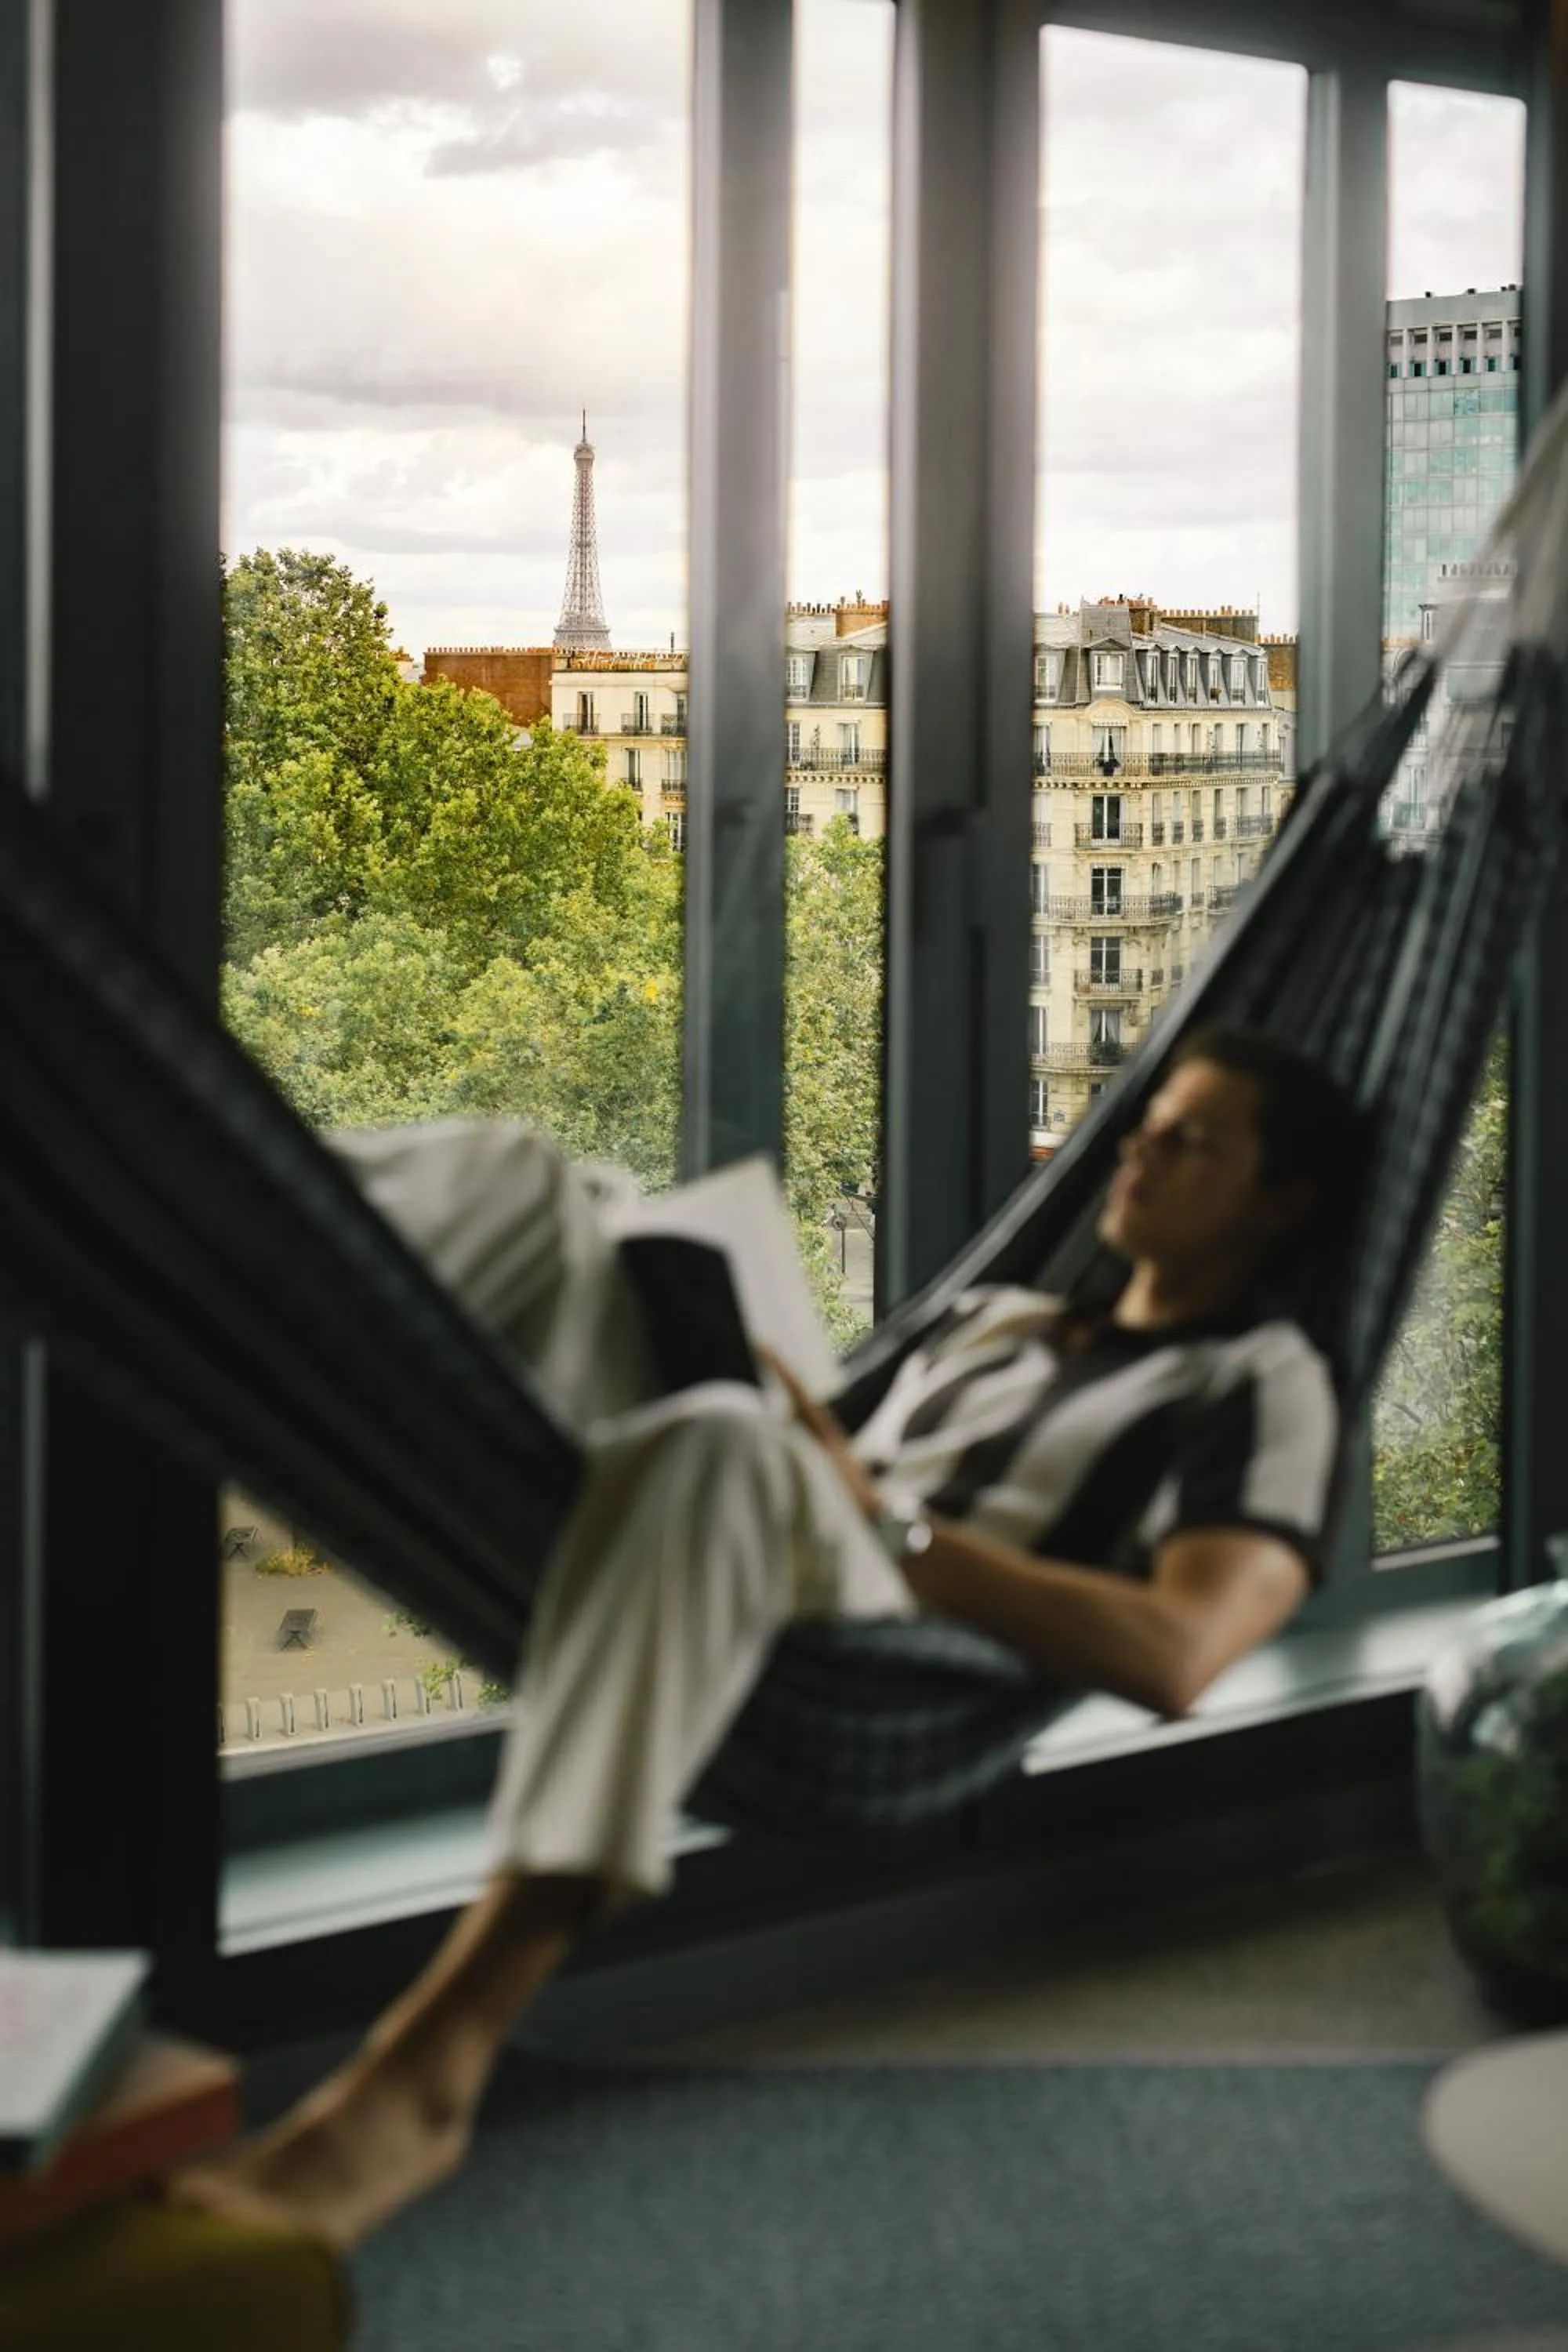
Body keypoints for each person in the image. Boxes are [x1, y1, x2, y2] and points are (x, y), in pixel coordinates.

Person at [171, 1025, 1364, 2249]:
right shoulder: (997, 1319)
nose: (1138, 1151)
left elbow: (1181, 1651)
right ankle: (168, 1204)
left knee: (721, 1448)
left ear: (1282, 1204)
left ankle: (432, 2063)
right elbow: (816, 1444)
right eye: (1147, 1124)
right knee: (525, 1184)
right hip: (765, 1514)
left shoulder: (1263, 1382)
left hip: (897, 1637)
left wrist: (892, 1529)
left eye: (1192, 1141)